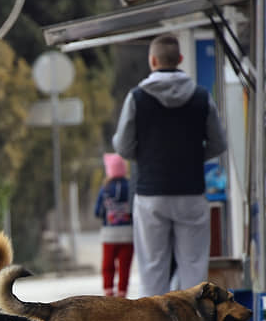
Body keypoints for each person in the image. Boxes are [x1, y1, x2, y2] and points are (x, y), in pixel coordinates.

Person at [112, 33, 227, 297]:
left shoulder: (137, 98)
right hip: (191, 193)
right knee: (194, 270)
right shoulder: (200, 97)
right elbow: (218, 143)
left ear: (152, 60)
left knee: (153, 271)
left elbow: (124, 147)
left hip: (150, 194)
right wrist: (194, 158)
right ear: (181, 59)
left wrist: (148, 156)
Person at [94, 153, 133, 297]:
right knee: (124, 266)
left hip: (109, 235)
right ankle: (122, 292)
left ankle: (108, 290)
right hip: (128, 235)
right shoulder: (131, 187)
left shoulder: (105, 189)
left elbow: (97, 211)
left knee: (108, 265)